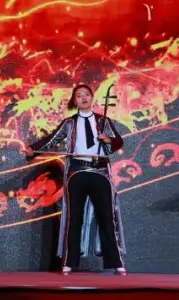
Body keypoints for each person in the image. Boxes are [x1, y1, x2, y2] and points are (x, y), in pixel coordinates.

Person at [24, 84, 127, 275]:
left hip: (100, 171)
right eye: (79, 95)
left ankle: (117, 262)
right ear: (74, 100)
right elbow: (52, 140)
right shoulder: (69, 123)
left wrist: (108, 140)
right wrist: (33, 149)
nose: (83, 98)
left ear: (92, 97)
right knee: (74, 218)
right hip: (77, 172)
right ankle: (69, 262)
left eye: (86, 94)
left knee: (107, 217)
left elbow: (118, 141)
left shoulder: (103, 120)